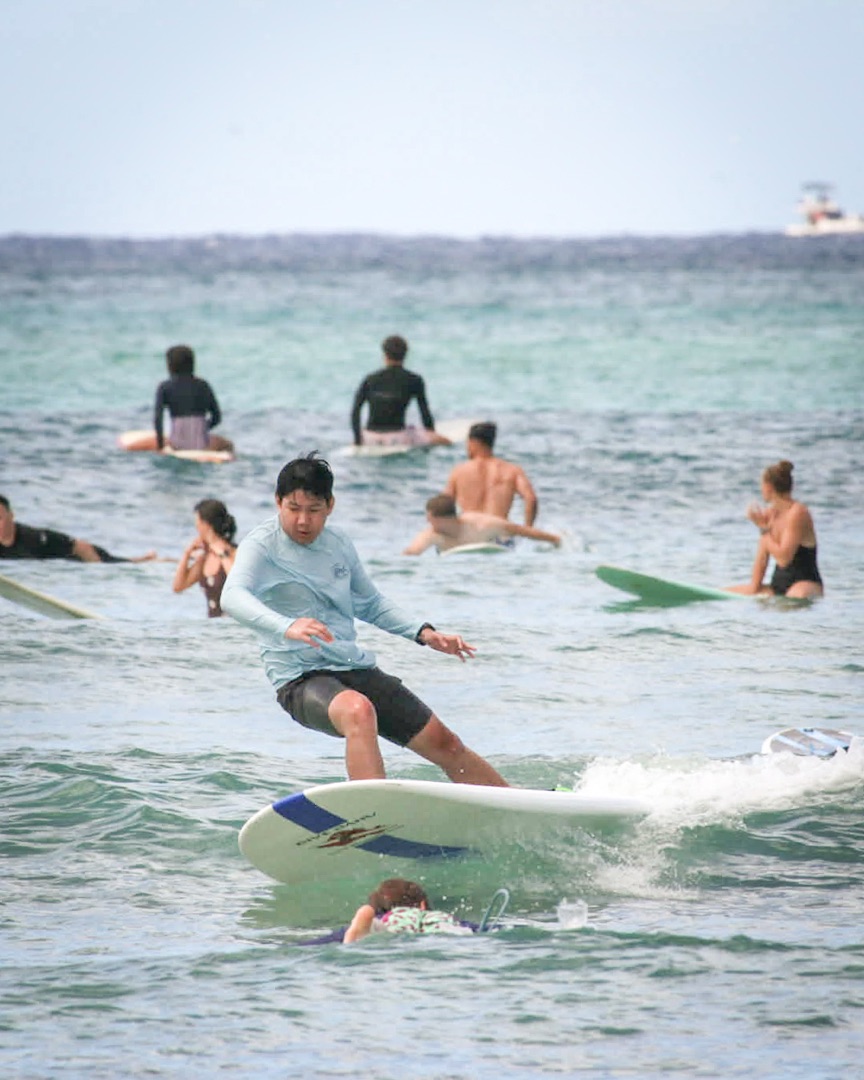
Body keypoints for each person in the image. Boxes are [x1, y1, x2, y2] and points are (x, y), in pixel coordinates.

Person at [221, 453, 507, 786]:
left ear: (330, 505)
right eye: (293, 509)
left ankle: (521, 807)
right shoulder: (262, 546)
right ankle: (373, 819)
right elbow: (232, 596)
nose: (302, 521)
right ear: (278, 502)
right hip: (300, 678)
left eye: (313, 510)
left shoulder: (338, 544)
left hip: (352, 667)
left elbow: (369, 603)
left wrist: (424, 633)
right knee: (358, 711)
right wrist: (287, 626)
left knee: (447, 743)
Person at [728, 460, 823, 599]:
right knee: (724, 592)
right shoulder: (771, 514)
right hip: (777, 586)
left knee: (793, 598)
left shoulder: (798, 513)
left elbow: (784, 558)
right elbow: (762, 558)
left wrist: (764, 532)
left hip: (805, 584)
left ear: (768, 487)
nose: (761, 489)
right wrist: (754, 587)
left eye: (761, 485)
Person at [122, 345, 233, 453]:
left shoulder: (165, 387)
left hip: (177, 442)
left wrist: (161, 446)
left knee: (133, 447)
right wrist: (202, 430)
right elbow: (217, 417)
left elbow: (158, 419)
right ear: (193, 364)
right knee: (228, 445)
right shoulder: (204, 385)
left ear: (170, 366)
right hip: (202, 442)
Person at [350, 334, 451, 448]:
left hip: (370, 437)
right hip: (399, 436)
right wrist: (431, 434)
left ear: (385, 354)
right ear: (405, 355)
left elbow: (355, 411)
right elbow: (424, 412)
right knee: (447, 442)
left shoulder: (370, 379)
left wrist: (358, 440)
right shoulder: (414, 380)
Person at [0, 495, 157, 563]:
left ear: (11, 516)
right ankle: (145, 559)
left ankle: (154, 560)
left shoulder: (34, 538)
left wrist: (97, 572)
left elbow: (80, 546)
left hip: (86, 556)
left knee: (118, 563)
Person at [403, 493, 561, 556]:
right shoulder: (432, 535)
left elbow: (520, 530)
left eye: (429, 518)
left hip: (495, 546)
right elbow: (412, 553)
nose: (427, 522)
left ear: (437, 518)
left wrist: (555, 540)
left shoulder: (481, 524)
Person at [444, 421, 538, 525]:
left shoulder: (459, 471)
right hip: (499, 533)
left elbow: (444, 505)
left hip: (470, 533)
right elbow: (531, 499)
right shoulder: (512, 470)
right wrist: (528, 529)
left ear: (472, 442)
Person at [343, 878, 474, 943]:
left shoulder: (386, 917)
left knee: (383, 933)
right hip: (435, 927)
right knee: (456, 931)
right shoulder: (428, 914)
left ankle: (370, 930)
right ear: (422, 904)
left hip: (392, 927)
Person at [172, 499, 238, 617]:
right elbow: (178, 587)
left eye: (197, 522)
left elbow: (238, 582)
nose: (196, 527)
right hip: (212, 629)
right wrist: (187, 554)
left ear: (206, 525)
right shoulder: (204, 558)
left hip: (234, 627)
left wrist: (221, 554)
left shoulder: (233, 552)